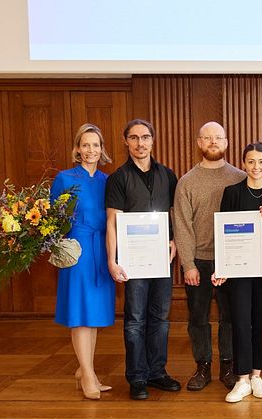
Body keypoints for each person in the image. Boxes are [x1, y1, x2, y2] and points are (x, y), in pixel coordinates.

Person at [105, 119, 181, 400]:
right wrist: (112, 261)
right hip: (132, 260)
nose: (140, 143)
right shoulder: (118, 178)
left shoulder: (168, 175)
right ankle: (137, 378)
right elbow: (112, 221)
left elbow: (175, 215)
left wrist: (175, 241)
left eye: (145, 137)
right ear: (126, 141)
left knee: (160, 318)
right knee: (135, 320)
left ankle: (157, 373)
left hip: (162, 258)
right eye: (134, 138)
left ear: (153, 140)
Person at [212, 142, 262, 403]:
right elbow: (224, 234)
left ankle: (257, 375)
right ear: (244, 164)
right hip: (239, 271)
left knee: (261, 324)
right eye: (251, 161)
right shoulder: (231, 193)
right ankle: (241, 378)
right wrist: (222, 267)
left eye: (261, 162)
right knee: (241, 323)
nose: (256, 167)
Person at [173, 122, 245, 391]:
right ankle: (202, 366)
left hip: (232, 260)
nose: (213, 142)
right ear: (199, 143)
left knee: (230, 316)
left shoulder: (240, 177)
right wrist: (188, 264)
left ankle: (228, 365)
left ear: (226, 143)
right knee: (198, 318)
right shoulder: (186, 182)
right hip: (200, 262)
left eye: (218, 138)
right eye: (207, 138)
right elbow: (182, 225)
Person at [51, 123, 115, 400]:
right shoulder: (64, 178)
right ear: (77, 148)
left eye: (96, 145)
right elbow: (52, 221)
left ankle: (85, 369)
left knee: (95, 314)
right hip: (76, 250)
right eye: (85, 145)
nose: (91, 150)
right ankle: (88, 374)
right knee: (80, 314)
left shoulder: (107, 180)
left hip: (102, 249)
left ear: (102, 149)